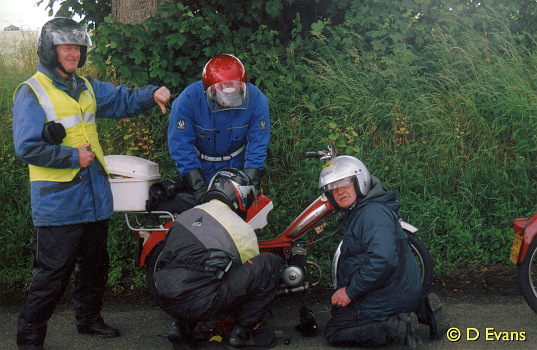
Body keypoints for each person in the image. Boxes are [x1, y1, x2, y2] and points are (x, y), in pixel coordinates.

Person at [12, 17, 170, 350]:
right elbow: (26, 147)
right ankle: (28, 338)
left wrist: (151, 94)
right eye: (66, 47)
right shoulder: (32, 91)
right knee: (51, 276)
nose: (73, 54)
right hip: (58, 202)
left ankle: (89, 320)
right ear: (50, 50)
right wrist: (72, 158)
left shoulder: (85, 86)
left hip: (94, 196)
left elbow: (122, 100)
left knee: (96, 266)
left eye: (78, 49)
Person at [319, 156, 449, 349]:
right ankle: (423, 310)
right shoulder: (366, 209)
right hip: (394, 289)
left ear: (359, 181)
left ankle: (399, 328)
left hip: (386, 295)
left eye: (344, 183)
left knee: (334, 331)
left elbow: (382, 261)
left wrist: (349, 292)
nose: (339, 191)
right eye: (333, 187)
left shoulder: (371, 214)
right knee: (340, 315)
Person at [153, 169, 283, 349]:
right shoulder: (241, 229)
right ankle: (242, 334)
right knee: (268, 264)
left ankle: (181, 328)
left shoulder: (185, 216)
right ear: (241, 195)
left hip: (164, 297)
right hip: (203, 302)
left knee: (189, 273)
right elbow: (250, 277)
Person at [159, 54, 269, 213]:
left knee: (239, 222)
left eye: (233, 95)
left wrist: (250, 186)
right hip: (201, 168)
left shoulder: (257, 99)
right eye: (222, 96)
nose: (227, 102)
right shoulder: (187, 100)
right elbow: (181, 146)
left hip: (238, 168)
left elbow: (258, 145)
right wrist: (199, 188)